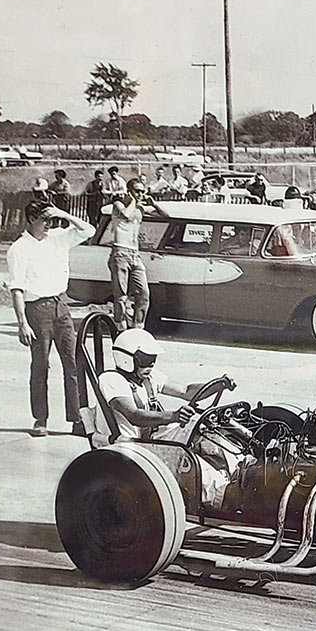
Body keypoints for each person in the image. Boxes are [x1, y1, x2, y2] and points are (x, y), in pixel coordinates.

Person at [93, 328, 232, 507]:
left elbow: (185, 391)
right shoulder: (111, 380)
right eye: (145, 360)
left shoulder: (148, 377)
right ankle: (224, 493)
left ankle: (238, 470)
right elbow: (134, 415)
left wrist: (218, 384)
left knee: (203, 425)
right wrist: (173, 416)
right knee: (186, 457)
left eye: (153, 360)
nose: (150, 365)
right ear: (127, 359)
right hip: (132, 447)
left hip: (152, 439)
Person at [6, 200, 96, 436]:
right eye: (44, 219)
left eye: (50, 219)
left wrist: (63, 214)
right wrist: (22, 323)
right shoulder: (19, 248)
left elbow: (89, 230)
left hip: (61, 305)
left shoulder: (58, 237)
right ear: (31, 219)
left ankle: (77, 419)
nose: (49, 224)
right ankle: (41, 419)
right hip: (36, 310)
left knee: (73, 363)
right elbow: (16, 288)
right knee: (40, 366)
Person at [108, 178, 150, 331]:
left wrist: (153, 203)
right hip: (120, 252)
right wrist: (132, 200)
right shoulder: (118, 205)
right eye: (137, 191)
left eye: (142, 191)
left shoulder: (140, 208)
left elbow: (166, 214)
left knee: (144, 293)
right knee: (121, 295)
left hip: (134, 254)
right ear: (129, 191)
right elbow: (125, 215)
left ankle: (138, 326)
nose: (140, 194)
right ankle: (120, 326)